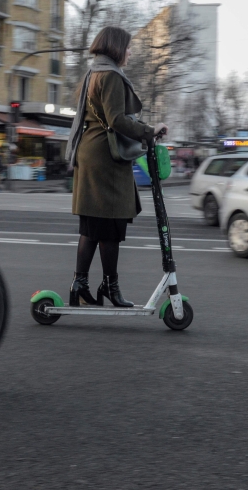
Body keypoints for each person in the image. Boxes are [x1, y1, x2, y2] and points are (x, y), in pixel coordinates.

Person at [65, 26, 167, 307]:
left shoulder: (93, 73)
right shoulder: (109, 75)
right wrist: (149, 131)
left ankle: (80, 284)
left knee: (93, 225)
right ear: (116, 48)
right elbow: (117, 120)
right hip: (105, 157)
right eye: (128, 47)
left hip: (93, 151)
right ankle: (109, 286)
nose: (130, 52)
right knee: (110, 224)